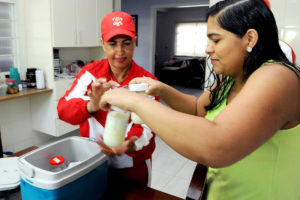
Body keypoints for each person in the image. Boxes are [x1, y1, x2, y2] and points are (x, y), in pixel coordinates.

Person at [98, 0, 300, 199]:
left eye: (216, 40)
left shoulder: (277, 76)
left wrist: (135, 102)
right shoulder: (231, 79)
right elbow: (197, 108)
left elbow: (218, 145)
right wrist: (161, 88)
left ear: (250, 38)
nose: (207, 49)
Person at [57, 11, 159, 187]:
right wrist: (92, 105)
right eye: (112, 44)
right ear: (102, 44)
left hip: (132, 168)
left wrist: (131, 144)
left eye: (126, 43)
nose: (119, 51)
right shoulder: (89, 74)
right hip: (92, 163)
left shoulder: (146, 82)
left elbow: (148, 126)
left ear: (135, 42)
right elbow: (63, 110)